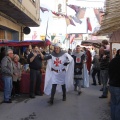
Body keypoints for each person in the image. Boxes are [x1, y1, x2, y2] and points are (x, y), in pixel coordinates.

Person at [109, 49, 120, 120]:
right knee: (118, 105)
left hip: (112, 85)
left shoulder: (113, 60)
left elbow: (109, 72)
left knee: (113, 104)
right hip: (118, 86)